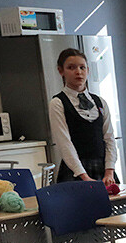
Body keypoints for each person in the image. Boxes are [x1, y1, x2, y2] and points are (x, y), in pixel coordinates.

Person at [49, 48, 117, 184]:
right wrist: (84, 176)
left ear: (88, 70)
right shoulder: (58, 103)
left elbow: (109, 138)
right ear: (61, 71)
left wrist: (109, 171)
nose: (78, 72)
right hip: (74, 171)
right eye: (71, 68)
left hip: (103, 171)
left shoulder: (100, 102)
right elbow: (65, 144)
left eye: (82, 67)